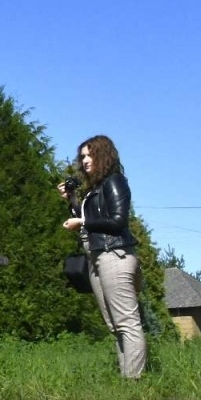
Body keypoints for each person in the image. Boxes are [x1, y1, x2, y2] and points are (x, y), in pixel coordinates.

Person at [61, 134, 146, 379]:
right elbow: (87, 221)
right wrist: (73, 201)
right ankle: (127, 378)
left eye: (90, 155)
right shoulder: (94, 189)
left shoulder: (115, 181)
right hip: (97, 259)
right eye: (83, 156)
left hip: (115, 255)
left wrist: (83, 221)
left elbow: (119, 221)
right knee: (114, 325)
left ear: (103, 155)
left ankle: (135, 385)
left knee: (127, 323)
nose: (85, 161)